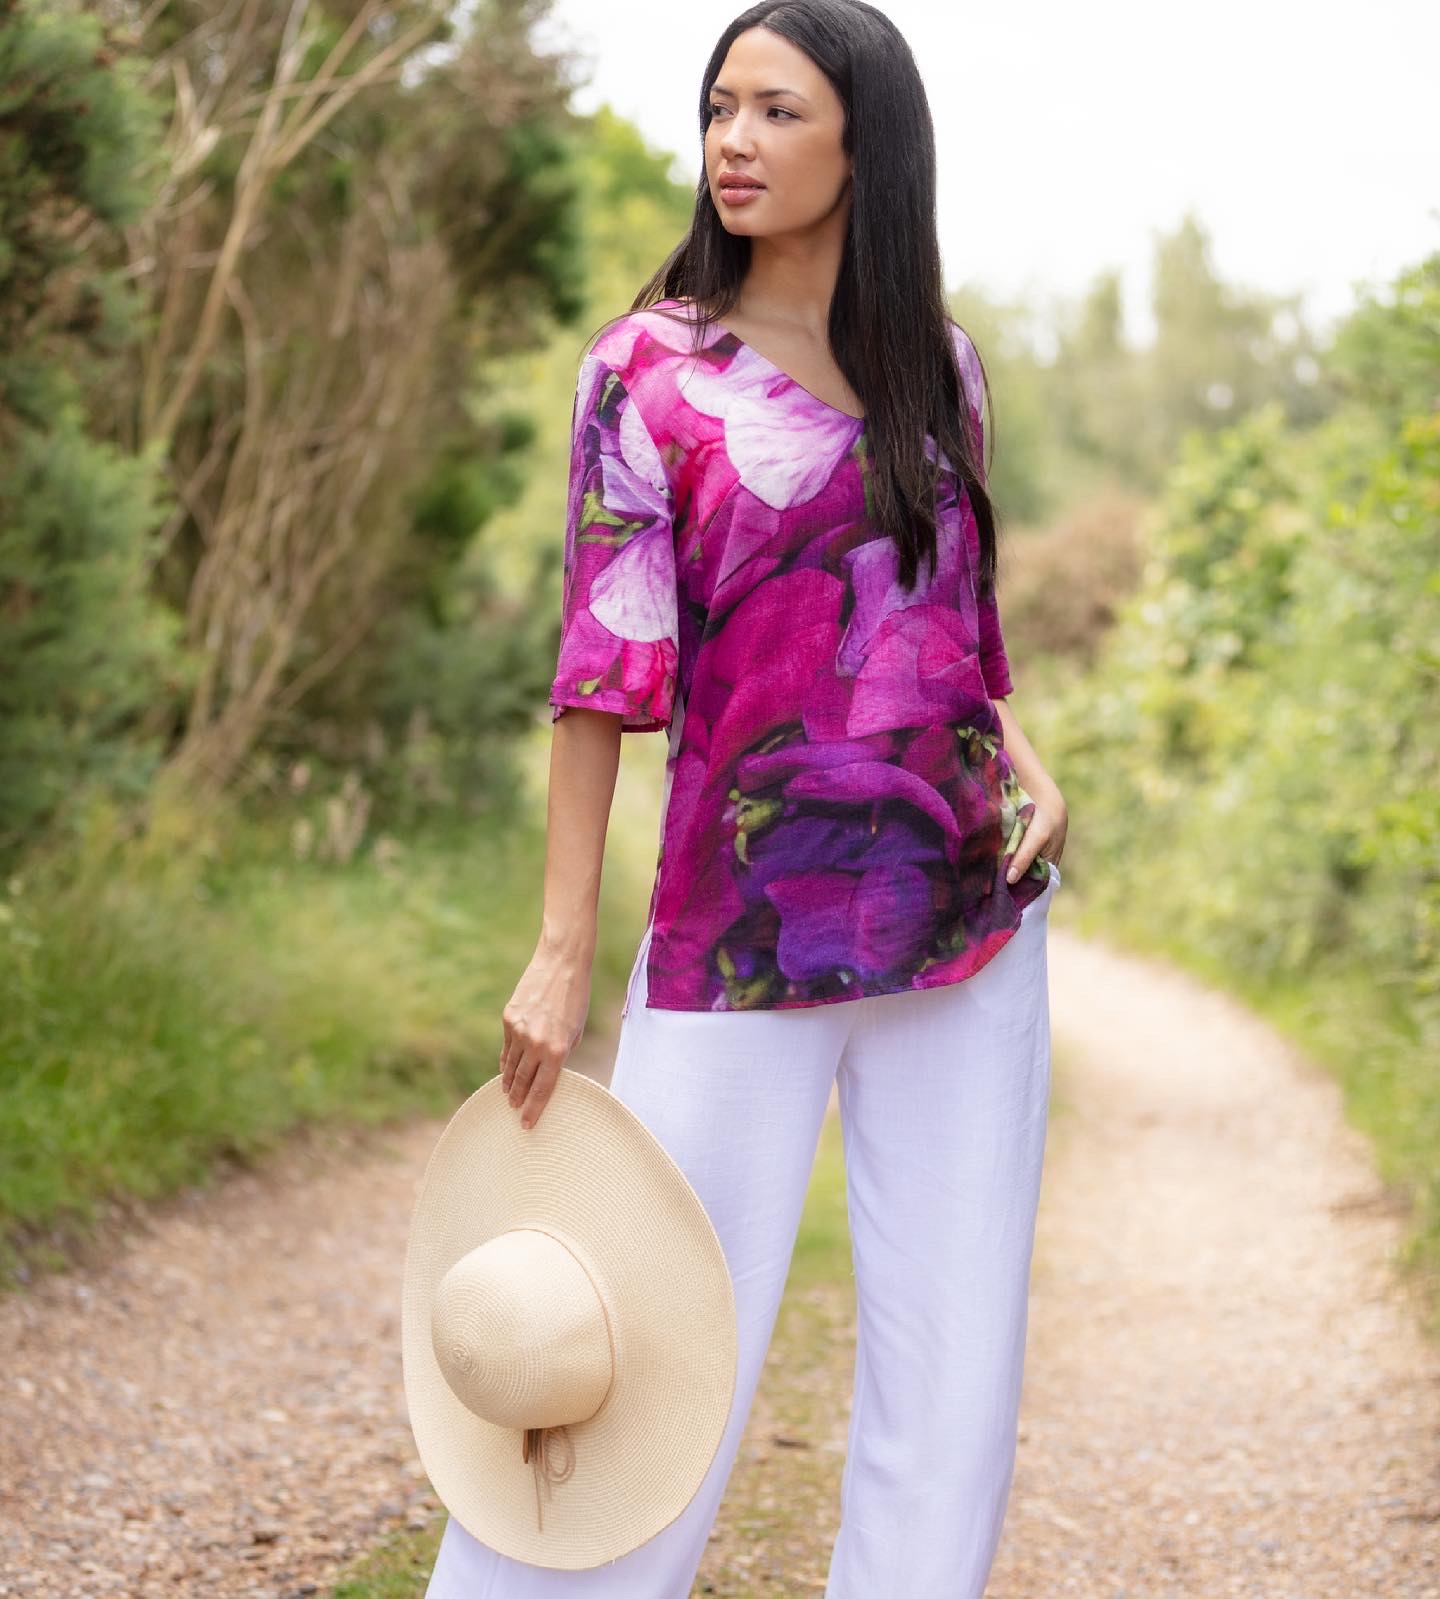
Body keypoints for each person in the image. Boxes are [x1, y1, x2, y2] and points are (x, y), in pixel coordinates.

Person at [424, 1, 1068, 1594]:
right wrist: (565, 943)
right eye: (720, 108)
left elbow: (957, 636)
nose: (733, 142)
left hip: (966, 925)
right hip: (737, 935)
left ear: (867, 140)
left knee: (955, 1371)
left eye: (777, 111)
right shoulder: (647, 372)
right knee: (639, 1345)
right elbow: (601, 675)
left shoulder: (946, 373)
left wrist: (1026, 757)